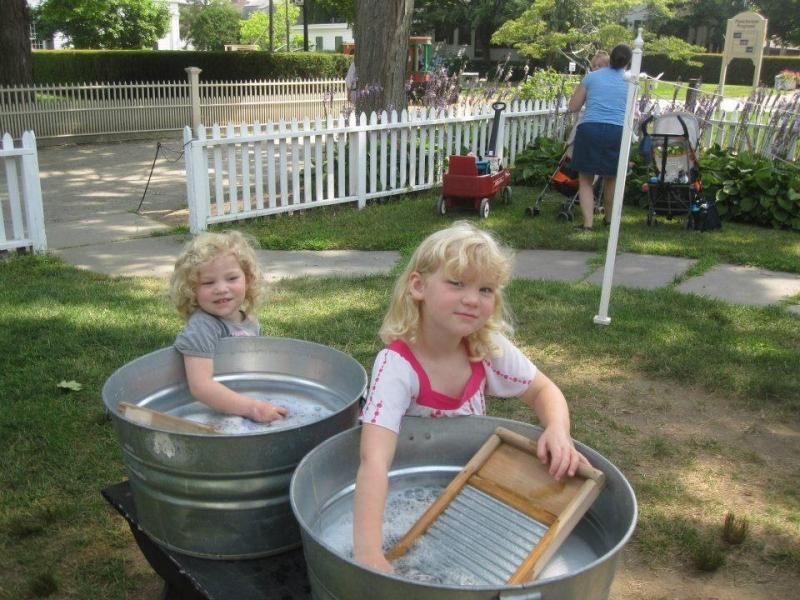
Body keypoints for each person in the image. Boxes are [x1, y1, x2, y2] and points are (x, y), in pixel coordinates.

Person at [352, 222, 587, 573]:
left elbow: (543, 389)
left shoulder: (486, 349)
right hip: (406, 491)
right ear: (419, 286)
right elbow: (374, 462)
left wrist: (557, 429)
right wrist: (369, 552)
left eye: (486, 289)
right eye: (457, 283)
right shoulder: (397, 366)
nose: (472, 299)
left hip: (468, 494)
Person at [169, 231, 288, 423]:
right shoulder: (203, 327)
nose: (221, 289)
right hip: (210, 415)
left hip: (242, 405)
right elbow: (201, 386)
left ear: (247, 280)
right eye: (208, 282)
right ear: (192, 289)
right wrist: (254, 409)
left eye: (232, 278)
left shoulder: (248, 321)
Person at [568, 43, 633, 230]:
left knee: (586, 179)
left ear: (610, 58)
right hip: (617, 131)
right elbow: (631, 111)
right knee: (611, 177)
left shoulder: (591, 77)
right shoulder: (631, 82)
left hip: (591, 129)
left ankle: (588, 224)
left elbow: (573, 106)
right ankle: (609, 220)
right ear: (628, 62)